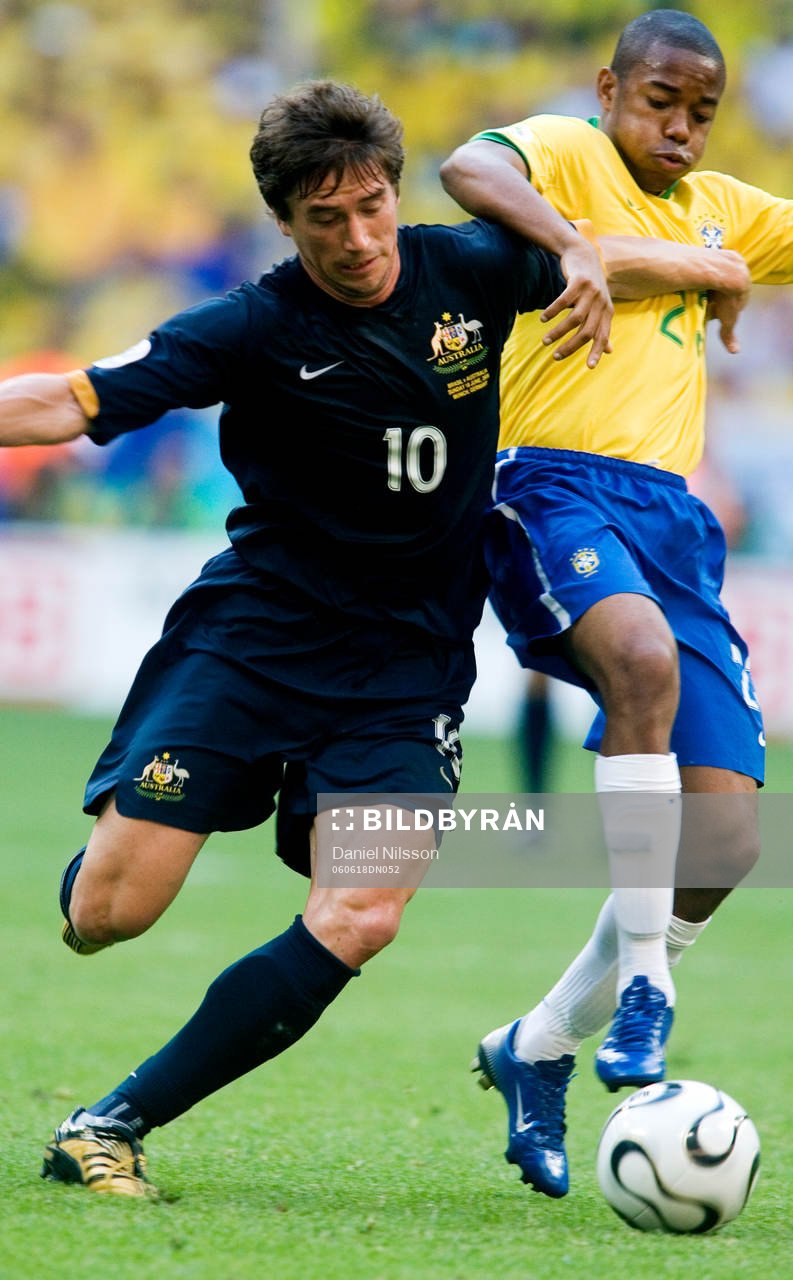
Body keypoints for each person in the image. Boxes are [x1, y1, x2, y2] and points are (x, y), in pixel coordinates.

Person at [0, 79, 628, 1199]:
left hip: (405, 670)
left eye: (373, 205)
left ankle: (112, 1121)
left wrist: (689, 263)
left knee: (361, 911)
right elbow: (73, 400)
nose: (358, 238)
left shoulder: (472, 271)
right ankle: (118, 844)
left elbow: (613, 254)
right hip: (256, 642)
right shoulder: (252, 325)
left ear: (394, 189)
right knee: (106, 917)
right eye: (325, 219)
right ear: (285, 223)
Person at [440, 8, 787, 1199]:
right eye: (659, 103)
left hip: (671, 520)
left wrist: (712, 252)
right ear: (609, 88)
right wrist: (593, 249)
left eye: (701, 111)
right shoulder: (561, 152)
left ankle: (534, 1042)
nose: (680, 128)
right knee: (637, 663)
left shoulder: (724, 206)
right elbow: (464, 167)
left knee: (731, 835)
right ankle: (647, 980)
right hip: (549, 486)